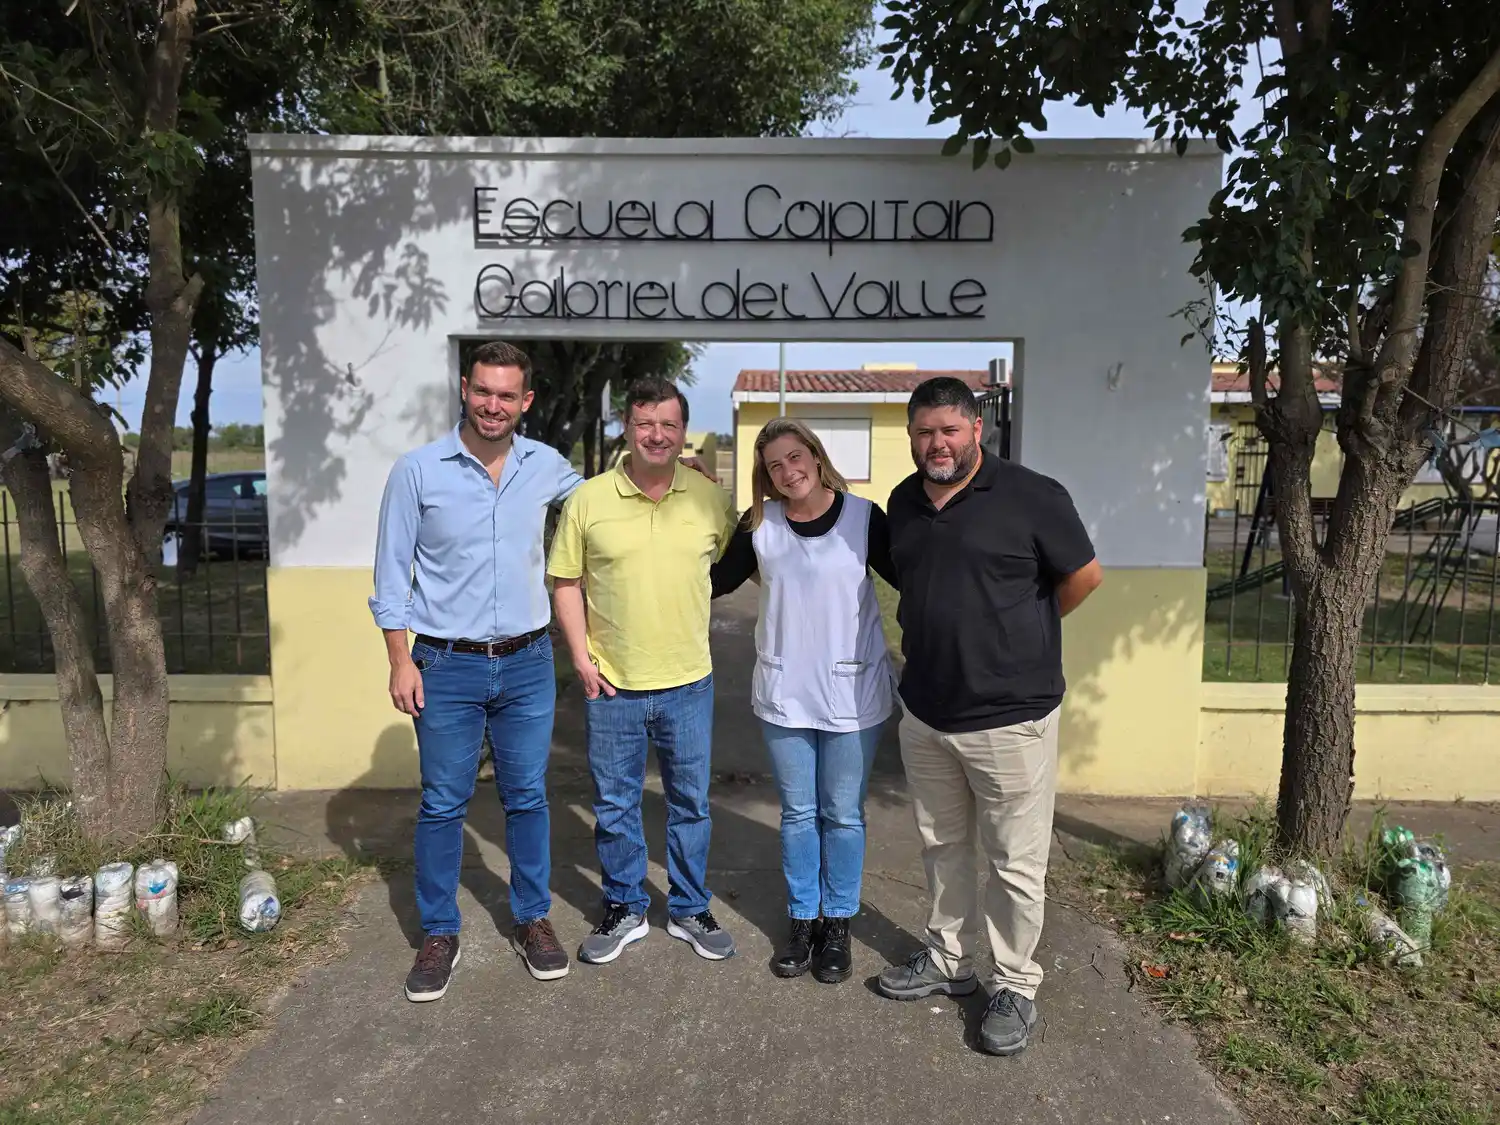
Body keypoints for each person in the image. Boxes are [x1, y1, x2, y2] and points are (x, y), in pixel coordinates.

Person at [370, 342, 715, 1003]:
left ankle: (532, 918)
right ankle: (440, 931)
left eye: (507, 395)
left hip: (528, 662)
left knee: (527, 798)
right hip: (444, 662)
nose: (493, 404)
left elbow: (608, 501)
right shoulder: (416, 471)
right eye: (483, 391)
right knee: (443, 803)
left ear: (525, 401)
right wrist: (397, 658)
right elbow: (391, 574)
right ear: (465, 391)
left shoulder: (547, 465)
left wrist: (676, 469)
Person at [874, 376, 1103, 1058]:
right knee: (942, 846)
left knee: (1013, 862)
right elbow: (913, 581)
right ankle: (949, 959)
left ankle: (1013, 985)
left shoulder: (1033, 495)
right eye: (923, 431)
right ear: (910, 435)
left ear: (977, 428)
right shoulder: (905, 502)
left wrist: (1019, 637)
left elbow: (1083, 577)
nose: (936, 442)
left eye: (949, 429)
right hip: (927, 711)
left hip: (1011, 718)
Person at [548, 377, 739, 965]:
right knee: (615, 805)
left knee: (690, 804)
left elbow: (737, 566)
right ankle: (625, 905)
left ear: (684, 432)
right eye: (644, 423)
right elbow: (566, 581)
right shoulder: (588, 499)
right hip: (613, 684)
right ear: (627, 428)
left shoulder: (708, 499)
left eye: (669, 425)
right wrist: (580, 658)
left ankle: (687, 907)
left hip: (689, 681)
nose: (657, 435)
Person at [710, 417, 898, 984]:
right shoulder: (760, 524)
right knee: (797, 813)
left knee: (842, 814)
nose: (788, 471)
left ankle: (837, 922)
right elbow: (715, 580)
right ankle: (802, 918)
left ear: (816, 457)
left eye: (796, 457)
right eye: (774, 466)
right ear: (764, 477)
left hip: (852, 690)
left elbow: (916, 578)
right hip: (785, 689)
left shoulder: (865, 519)